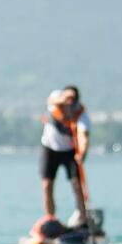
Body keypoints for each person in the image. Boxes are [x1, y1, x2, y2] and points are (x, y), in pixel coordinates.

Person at [40, 85, 91, 221]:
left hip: (70, 152)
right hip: (50, 149)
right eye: (67, 98)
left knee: (76, 184)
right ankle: (50, 218)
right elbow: (51, 101)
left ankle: (82, 216)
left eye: (72, 100)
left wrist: (83, 153)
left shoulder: (81, 114)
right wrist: (64, 98)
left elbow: (83, 137)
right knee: (47, 185)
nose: (68, 102)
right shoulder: (56, 98)